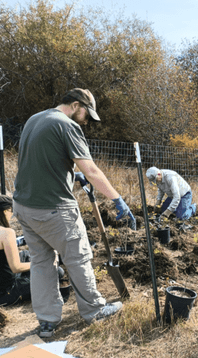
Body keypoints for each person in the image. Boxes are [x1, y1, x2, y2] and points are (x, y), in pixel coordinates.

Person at [13, 88, 135, 338]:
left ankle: (47, 320)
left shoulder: (35, 119)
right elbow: (91, 170)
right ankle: (94, 310)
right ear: (76, 105)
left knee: (41, 262)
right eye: (86, 114)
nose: (87, 120)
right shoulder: (67, 126)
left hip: (25, 207)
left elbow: (38, 159)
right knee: (77, 258)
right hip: (54, 209)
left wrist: (69, 173)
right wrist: (117, 198)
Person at [0, 195, 31, 307]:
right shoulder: (6, 233)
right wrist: (41, 264)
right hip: (7, 292)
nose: (11, 215)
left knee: (25, 254)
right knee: (57, 272)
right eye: (10, 210)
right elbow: (16, 268)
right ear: (3, 211)